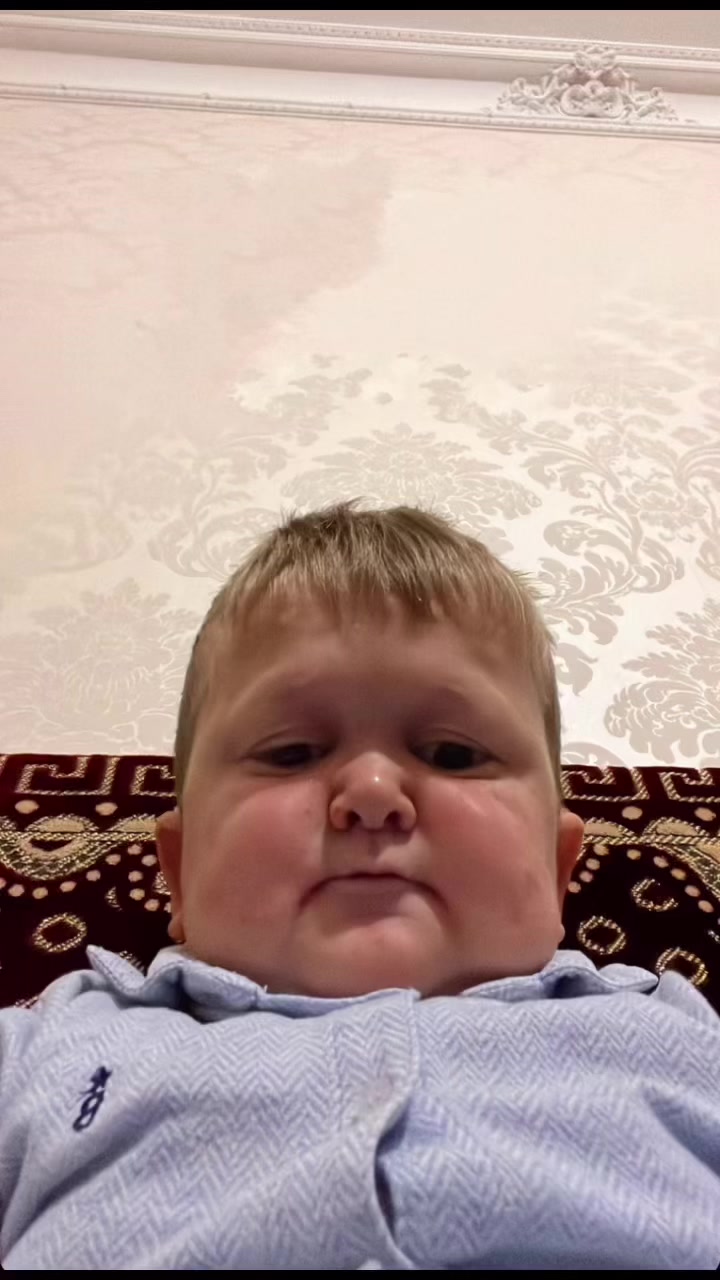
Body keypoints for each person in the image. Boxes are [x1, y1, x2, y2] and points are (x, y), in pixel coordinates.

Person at [1, 501, 719, 1270]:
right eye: (291, 753)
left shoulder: (678, 1038)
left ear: (556, 870)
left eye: (452, 754)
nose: (373, 792)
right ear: (178, 874)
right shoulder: (46, 1048)